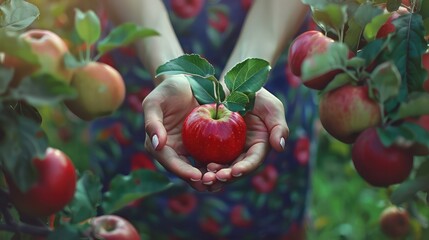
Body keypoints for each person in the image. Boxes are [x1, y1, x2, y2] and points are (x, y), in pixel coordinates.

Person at [90, 0, 318, 239]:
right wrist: (170, 71)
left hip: (271, 43)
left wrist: (245, 78)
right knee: (133, 213)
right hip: (143, 46)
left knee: (266, 214)